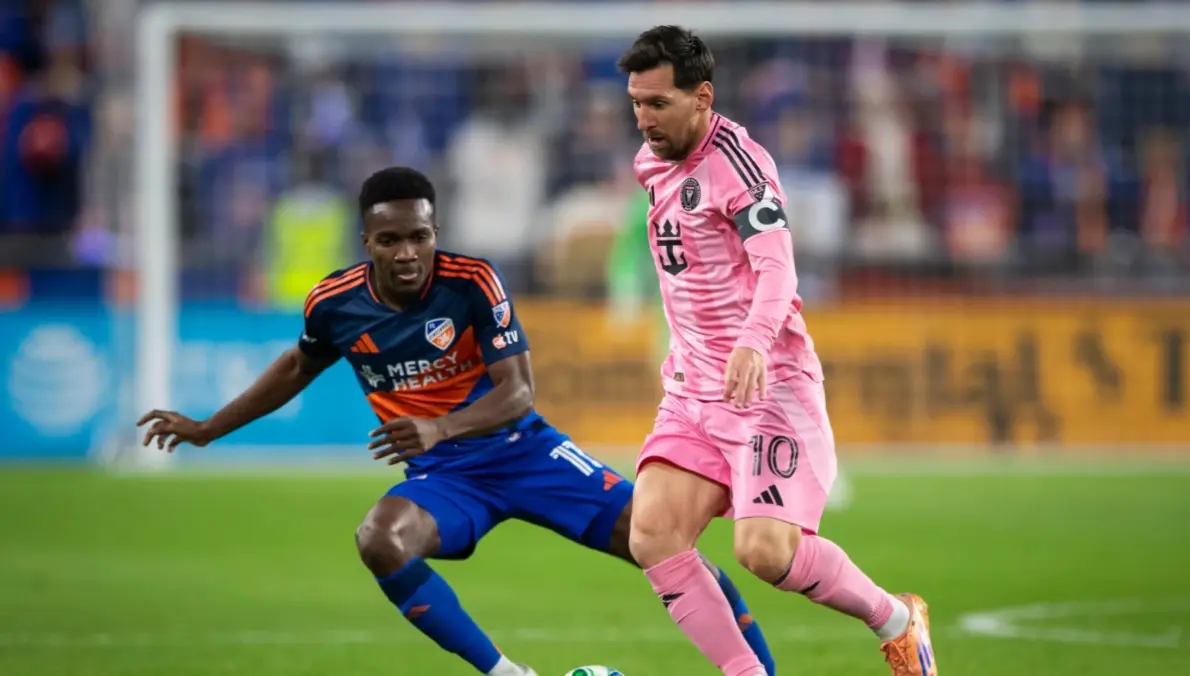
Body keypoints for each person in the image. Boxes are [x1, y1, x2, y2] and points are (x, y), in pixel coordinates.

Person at [137, 166, 776, 676]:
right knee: (379, 538)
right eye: (391, 240)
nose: (409, 252)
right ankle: (505, 673)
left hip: (526, 453)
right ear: (368, 244)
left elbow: (518, 394)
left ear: (434, 230)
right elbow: (296, 368)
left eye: (420, 235)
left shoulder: (471, 281)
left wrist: (438, 427)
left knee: (664, 547)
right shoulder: (334, 304)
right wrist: (207, 428)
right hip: (447, 479)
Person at [617, 26, 938, 676]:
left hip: (767, 389)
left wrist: (752, 343)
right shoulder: (650, 163)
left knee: (764, 551)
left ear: (702, 96)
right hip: (693, 392)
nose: (644, 119)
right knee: (651, 533)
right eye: (636, 103)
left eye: (658, 104)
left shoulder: (740, 163)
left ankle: (898, 621)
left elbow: (777, 270)